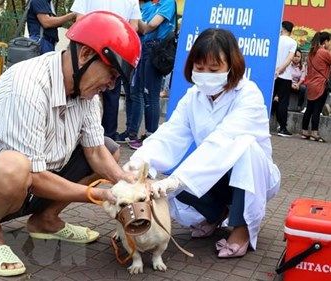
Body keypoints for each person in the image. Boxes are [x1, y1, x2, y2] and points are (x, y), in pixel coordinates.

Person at [0, 12, 141, 277]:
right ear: (86, 54)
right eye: (112, 73)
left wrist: (126, 180)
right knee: (14, 166)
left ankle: (45, 220)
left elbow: (96, 152)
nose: (112, 85)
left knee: (109, 148)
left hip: (34, 183)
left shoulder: (85, 93)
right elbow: (32, 173)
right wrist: (98, 195)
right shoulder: (27, 85)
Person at [123, 28, 280, 259]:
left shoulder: (249, 95)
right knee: (174, 175)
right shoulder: (193, 97)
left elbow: (223, 141)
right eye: (199, 68)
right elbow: (170, 134)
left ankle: (242, 228)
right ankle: (215, 214)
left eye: (214, 69)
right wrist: (138, 163)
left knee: (243, 148)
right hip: (215, 173)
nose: (206, 74)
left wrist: (177, 180)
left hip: (253, 177)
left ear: (231, 66)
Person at [70, 0, 141, 141]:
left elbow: (79, 19)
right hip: (117, 50)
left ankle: (77, 133)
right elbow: (134, 28)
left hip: (90, 48)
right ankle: (108, 136)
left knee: (80, 90)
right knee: (111, 95)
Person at [120, 0, 176, 149]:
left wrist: (137, 20)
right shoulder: (146, 5)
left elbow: (150, 25)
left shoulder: (167, 3)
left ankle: (151, 134)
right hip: (142, 48)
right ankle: (132, 133)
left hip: (156, 50)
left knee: (151, 94)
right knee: (136, 92)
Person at [301, 31, 331, 142]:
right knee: (317, 110)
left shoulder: (311, 53)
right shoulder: (323, 52)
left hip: (311, 85)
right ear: (326, 41)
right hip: (320, 85)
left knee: (309, 108)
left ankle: (304, 131)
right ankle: (314, 132)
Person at [273, 21, 297, 137]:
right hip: (285, 76)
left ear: (282, 28)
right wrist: (280, 69)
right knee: (283, 102)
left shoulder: (275, 39)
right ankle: (282, 128)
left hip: (272, 75)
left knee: (268, 99)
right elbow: (289, 59)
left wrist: (276, 71)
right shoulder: (292, 42)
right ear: (291, 30)